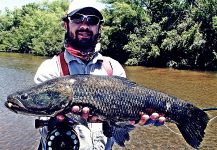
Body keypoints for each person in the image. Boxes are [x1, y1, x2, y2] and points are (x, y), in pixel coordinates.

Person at [34, 0, 166, 149]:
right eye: (77, 18)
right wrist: (60, 120)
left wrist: (132, 122)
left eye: (92, 20)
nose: (84, 25)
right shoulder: (50, 69)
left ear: (99, 27)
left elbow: (119, 128)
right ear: (66, 24)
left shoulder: (113, 68)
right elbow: (42, 121)